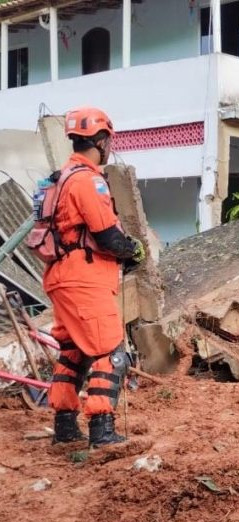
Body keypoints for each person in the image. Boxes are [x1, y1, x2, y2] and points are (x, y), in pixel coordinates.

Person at [43, 107, 145, 447]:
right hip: (84, 278)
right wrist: (133, 250)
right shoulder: (88, 181)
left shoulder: (60, 179)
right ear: (100, 140)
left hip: (60, 276)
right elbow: (108, 237)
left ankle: (65, 429)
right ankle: (102, 431)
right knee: (111, 352)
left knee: (73, 352)